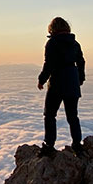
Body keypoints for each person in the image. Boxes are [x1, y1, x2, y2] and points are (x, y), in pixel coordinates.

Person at [37, 16, 86, 157]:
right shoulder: (75, 43)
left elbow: (49, 64)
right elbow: (81, 62)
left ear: (52, 29)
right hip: (72, 81)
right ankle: (77, 145)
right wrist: (80, 79)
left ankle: (49, 145)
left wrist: (42, 80)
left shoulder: (52, 43)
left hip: (57, 82)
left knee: (50, 115)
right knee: (73, 116)